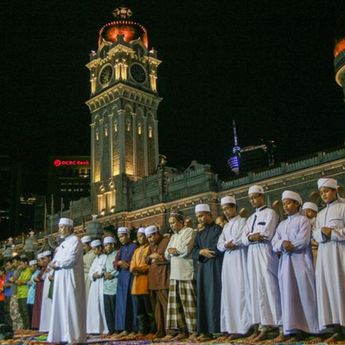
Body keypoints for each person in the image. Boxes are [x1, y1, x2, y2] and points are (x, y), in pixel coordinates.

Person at [272, 191, 319, 341]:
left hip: (301, 262)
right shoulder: (281, 224)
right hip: (285, 264)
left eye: (288, 203)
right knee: (288, 295)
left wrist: (288, 245)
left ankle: (311, 329)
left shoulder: (303, 220)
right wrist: (282, 244)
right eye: (284, 203)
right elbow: (274, 243)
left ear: (297, 204)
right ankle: (292, 329)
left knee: (305, 293)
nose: (285, 206)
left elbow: (303, 240)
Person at [242, 185, 281, 342]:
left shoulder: (271, 213)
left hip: (265, 253)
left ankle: (279, 324)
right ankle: (262, 326)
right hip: (252, 255)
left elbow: (267, 233)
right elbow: (243, 239)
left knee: (270, 287)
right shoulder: (250, 218)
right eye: (251, 198)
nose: (253, 200)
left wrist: (252, 237)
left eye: (255, 197)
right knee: (256, 289)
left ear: (262, 197)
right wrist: (251, 237)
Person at [313, 178, 345, 342]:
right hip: (325, 255)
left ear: (335, 191)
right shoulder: (320, 214)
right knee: (329, 289)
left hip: (340, 254)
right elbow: (315, 234)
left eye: (326, 191)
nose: (324, 195)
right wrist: (322, 233)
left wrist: (332, 232)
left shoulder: (343, 207)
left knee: (342, 287)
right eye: (322, 192)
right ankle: (337, 328)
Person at [47, 217, 86, 344]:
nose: (60, 229)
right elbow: (54, 261)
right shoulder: (62, 244)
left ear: (69, 228)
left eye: (62, 227)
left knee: (71, 306)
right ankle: (62, 335)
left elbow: (71, 260)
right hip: (60, 279)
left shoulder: (75, 240)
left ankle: (74, 337)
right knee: (61, 306)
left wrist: (56, 264)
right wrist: (52, 270)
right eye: (59, 227)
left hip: (70, 279)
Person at [217, 196, 251, 340]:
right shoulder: (225, 226)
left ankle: (244, 328)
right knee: (229, 293)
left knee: (241, 291)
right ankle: (230, 327)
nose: (225, 212)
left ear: (234, 208)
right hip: (228, 261)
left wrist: (232, 243)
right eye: (223, 209)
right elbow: (219, 244)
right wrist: (226, 245)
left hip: (239, 259)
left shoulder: (243, 222)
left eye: (227, 208)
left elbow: (243, 238)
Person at [163, 211, 197, 341]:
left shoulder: (189, 231)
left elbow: (186, 250)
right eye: (170, 223)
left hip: (186, 272)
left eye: (173, 222)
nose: (171, 225)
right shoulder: (172, 237)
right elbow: (166, 254)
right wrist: (173, 252)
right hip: (174, 274)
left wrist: (175, 251)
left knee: (189, 304)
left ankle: (193, 330)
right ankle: (182, 330)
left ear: (181, 222)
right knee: (176, 305)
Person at [192, 203, 223, 342]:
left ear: (209, 215)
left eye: (201, 216)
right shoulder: (199, 234)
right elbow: (193, 250)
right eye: (198, 217)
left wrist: (204, 251)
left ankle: (216, 330)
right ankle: (205, 331)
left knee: (214, 297)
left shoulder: (217, 229)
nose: (199, 219)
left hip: (215, 267)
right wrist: (200, 251)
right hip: (203, 270)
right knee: (203, 298)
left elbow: (216, 248)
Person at [130, 227, 155, 337]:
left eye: (141, 236)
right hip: (136, 284)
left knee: (149, 310)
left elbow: (148, 265)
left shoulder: (149, 248)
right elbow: (132, 264)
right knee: (140, 311)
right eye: (138, 237)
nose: (140, 238)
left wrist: (139, 269)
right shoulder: (136, 250)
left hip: (146, 282)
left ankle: (152, 330)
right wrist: (133, 269)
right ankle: (141, 330)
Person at [145, 225, 170, 338]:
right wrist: (151, 257)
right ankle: (160, 330)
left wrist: (159, 258)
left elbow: (169, 257)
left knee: (166, 306)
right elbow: (146, 259)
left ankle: (170, 331)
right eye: (148, 238)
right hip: (153, 281)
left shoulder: (166, 241)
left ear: (157, 233)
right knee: (156, 308)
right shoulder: (151, 246)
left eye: (151, 236)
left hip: (163, 278)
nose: (150, 239)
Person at [114, 227, 138, 338]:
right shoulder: (121, 249)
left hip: (131, 277)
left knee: (131, 304)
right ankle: (124, 328)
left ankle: (133, 329)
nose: (121, 239)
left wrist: (127, 264)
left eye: (123, 236)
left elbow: (135, 260)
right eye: (119, 237)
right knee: (122, 304)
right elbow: (115, 262)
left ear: (128, 235)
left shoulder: (135, 247)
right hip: (122, 279)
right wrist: (119, 262)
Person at [86, 239, 108, 335]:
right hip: (94, 285)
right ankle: (94, 328)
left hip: (102, 283)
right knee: (93, 306)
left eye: (95, 249)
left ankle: (104, 329)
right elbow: (90, 273)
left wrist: (97, 274)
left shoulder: (105, 257)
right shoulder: (95, 260)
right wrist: (93, 275)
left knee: (102, 306)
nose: (94, 251)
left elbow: (103, 270)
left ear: (100, 248)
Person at [103, 236, 118, 335]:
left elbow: (119, 268)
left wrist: (111, 274)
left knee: (115, 309)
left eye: (107, 245)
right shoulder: (106, 256)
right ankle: (110, 330)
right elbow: (103, 268)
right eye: (104, 246)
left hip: (115, 285)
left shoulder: (118, 254)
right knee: (107, 310)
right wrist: (104, 273)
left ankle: (117, 330)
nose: (106, 247)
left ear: (112, 245)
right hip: (106, 287)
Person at [16, 256, 32, 329]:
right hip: (19, 294)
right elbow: (15, 280)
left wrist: (21, 282)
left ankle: (28, 327)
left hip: (25, 294)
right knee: (21, 311)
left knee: (26, 312)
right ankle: (25, 327)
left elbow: (29, 281)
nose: (21, 266)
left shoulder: (29, 270)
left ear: (26, 263)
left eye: (22, 264)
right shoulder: (21, 271)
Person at [39, 250, 53, 332]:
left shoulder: (54, 264)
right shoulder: (47, 267)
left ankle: (51, 326)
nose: (44, 261)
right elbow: (43, 278)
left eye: (45, 259)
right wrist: (46, 273)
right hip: (45, 289)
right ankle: (46, 326)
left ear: (49, 258)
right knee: (46, 307)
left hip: (51, 289)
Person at [302, 202, 319, 267]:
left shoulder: (317, 221)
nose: (306, 214)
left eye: (308, 211)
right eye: (304, 212)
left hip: (315, 248)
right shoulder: (303, 222)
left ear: (315, 212)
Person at [81, 235, 95, 303]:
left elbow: (94, 269)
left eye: (84, 246)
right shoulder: (84, 256)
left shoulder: (94, 254)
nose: (83, 248)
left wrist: (83, 267)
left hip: (90, 280)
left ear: (89, 244)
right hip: (83, 278)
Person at [26, 259, 40, 328]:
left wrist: (29, 282)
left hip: (34, 298)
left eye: (31, 266)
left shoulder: (38, 273)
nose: (30, 268)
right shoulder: (33, 274)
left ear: (35, 266)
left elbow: (34, 283)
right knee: (30, 316)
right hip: (30, 298)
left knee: (34, 316)